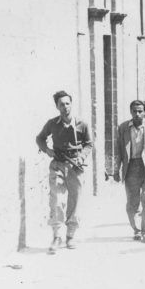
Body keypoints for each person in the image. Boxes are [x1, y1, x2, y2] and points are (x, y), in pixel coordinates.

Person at [36, 90, 93, 253]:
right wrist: (47, 150)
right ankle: (56, 235)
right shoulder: (52, 123)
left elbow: (89, 144)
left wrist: (81, 158)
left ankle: (70, 235)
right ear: (57, 106)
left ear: (71, 104)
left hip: (75, 166)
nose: (65, 107)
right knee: (57, 200)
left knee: (75, 201)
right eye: (61, 104)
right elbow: (39, 138)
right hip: (58, 164)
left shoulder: (82, 123)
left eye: (68, 103)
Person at [113, 100, 145, 243]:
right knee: (132, 203)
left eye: (140, 111)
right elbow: (118, 149)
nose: (137, 114)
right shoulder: (123, 127)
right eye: (134, 111)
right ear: (130, 112)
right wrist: (116, 170)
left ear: (144, 112)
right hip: (131, 168)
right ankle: (136, 229)